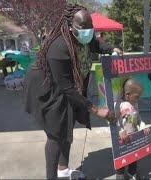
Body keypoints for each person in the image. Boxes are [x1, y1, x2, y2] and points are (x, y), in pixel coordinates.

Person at [24, 4, 122, 179]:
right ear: (70, 27)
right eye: (83, 28)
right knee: (56, 135)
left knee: (67, 128)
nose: (88, 32)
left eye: (90, 28)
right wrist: (97, 110)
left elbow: (95, 44)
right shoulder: (58, 47)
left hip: (68, 87)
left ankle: (63, 170)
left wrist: (111, 49)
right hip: (47, 88)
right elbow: (66, 87)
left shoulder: (84, 37)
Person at [115, 79, 150, 179]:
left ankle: (132, 172)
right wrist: (120, 131)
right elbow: (113, 121)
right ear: (127, 95)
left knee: (134, 157)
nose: (138, 99)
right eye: (136, 97)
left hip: (134, 136)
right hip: (122, 138)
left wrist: (143, 126)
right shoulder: (119, 105)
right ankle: (120, 174)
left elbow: (138, 119)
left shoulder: (135, 104)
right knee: (121, 159)